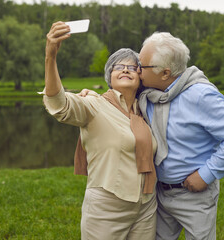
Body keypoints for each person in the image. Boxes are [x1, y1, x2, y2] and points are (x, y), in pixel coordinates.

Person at [42, 21, 158, 240]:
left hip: (146, 206)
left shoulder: (147, 109)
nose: (125, 69)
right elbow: (59, 105)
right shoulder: (94, 105)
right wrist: (51, 57)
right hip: (106, 208)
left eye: (133, 67)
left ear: (140, 76)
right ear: (109, 76)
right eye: (118, 66)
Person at [137, 32, 224, 240]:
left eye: (141, 65)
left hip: (194, 195)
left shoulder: (200, 95)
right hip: (159, 193)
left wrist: (207, 174)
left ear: (165, 73)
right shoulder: (147, 93)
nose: (137, 70)